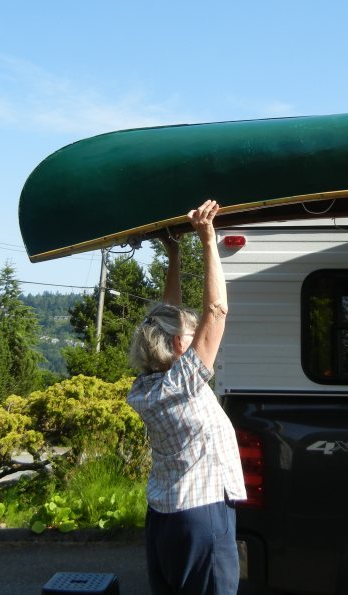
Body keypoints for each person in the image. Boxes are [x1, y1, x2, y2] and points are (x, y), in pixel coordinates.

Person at [126, 199, 247, 595]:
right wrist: (207, 240)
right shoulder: (184, 382)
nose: (197, 339)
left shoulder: (146, 385)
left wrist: (174, 252)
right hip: (201, 517)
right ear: (180, 344)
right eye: (190, 335)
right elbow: (217, 309)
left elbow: (169, 311)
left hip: (164, 518)